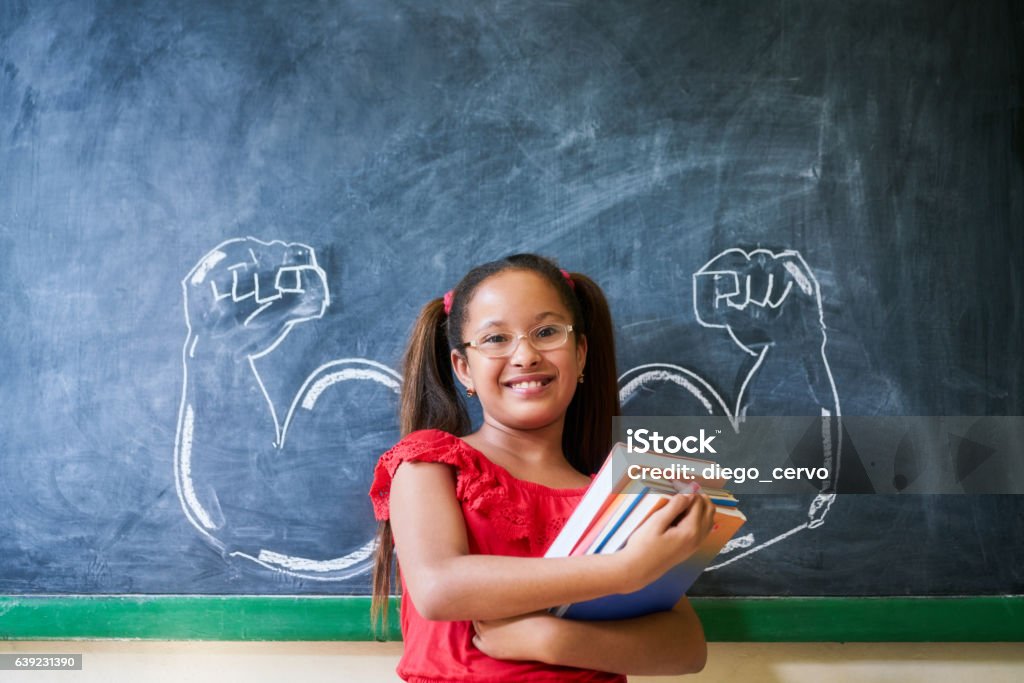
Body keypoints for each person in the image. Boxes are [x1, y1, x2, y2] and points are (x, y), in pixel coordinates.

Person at [368, 253, 716, 682]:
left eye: (547, 332)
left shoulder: (617, 495)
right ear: (464, 368)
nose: (526, 355)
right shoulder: (430, 461)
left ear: (581, 354)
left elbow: (686, 649)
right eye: (495, 339)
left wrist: (551, 641)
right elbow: (440, 587)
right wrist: (624, 570)